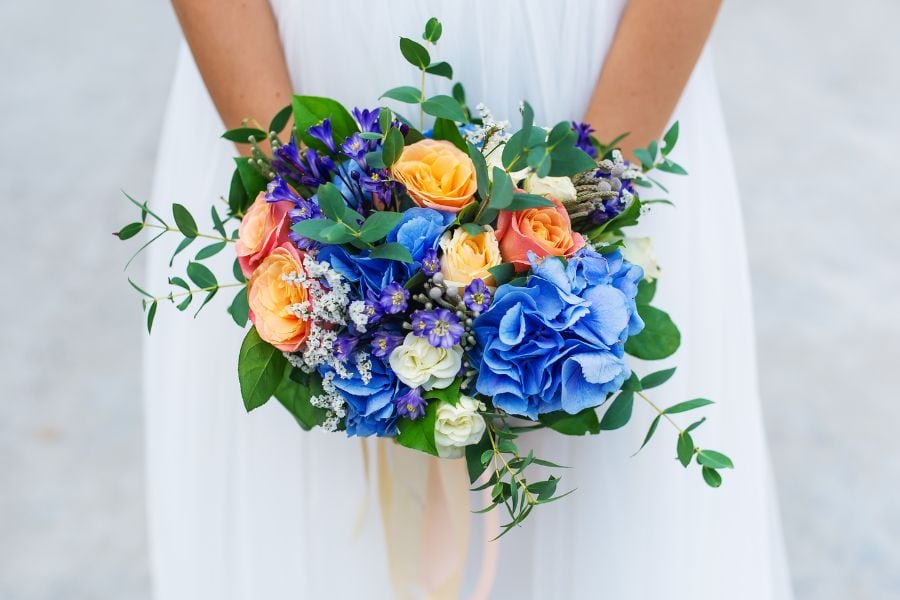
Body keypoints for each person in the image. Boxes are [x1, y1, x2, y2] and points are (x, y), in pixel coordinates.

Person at [144, 1, 793, 597]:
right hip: (286, 69)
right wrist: (313, 219)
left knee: (609, 526)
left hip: (600, 75)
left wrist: (572, 223)